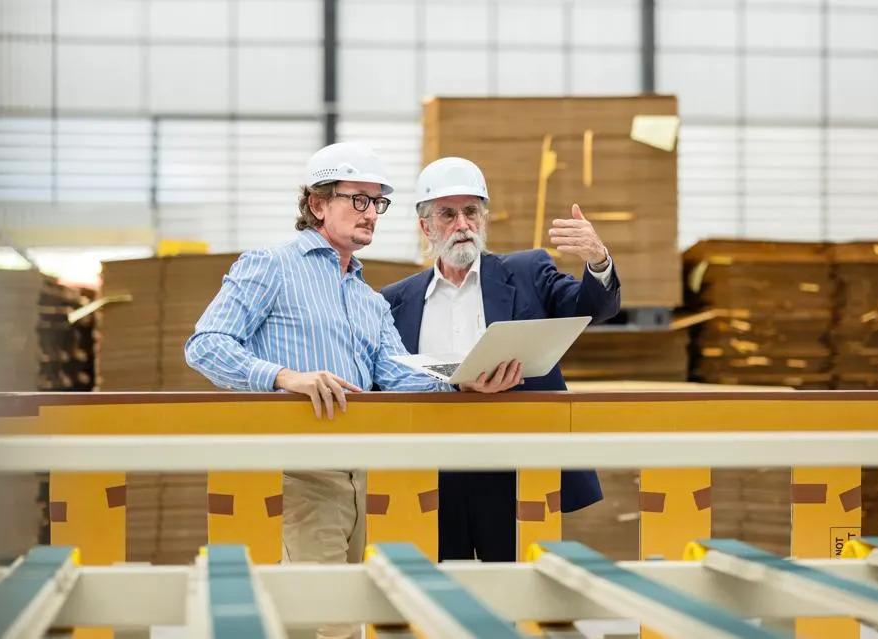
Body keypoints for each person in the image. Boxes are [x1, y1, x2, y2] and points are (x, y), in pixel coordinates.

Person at [185, 143, 520, 639]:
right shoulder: (270, 267)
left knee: (355, 610)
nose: (370, 214)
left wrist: (457, 379)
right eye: (357, 200)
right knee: (325, 618)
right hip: (303, 467)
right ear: (318, 204)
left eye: (377, 202)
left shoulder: (369, 300)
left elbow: (393, 372)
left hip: (365, 471)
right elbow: (205, 345)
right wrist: (284, 377)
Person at [381, 157, 621, 562]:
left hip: (514, 470)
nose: (462, 224)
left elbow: (589, 308)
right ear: (425, 226)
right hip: (430, 473)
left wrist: (598, 260)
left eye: (471, 212)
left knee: (522, 591)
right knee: (440, 593)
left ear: (484, 218)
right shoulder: (395, 301)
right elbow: (384, 378)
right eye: (448, 214)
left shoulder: (528, 272)